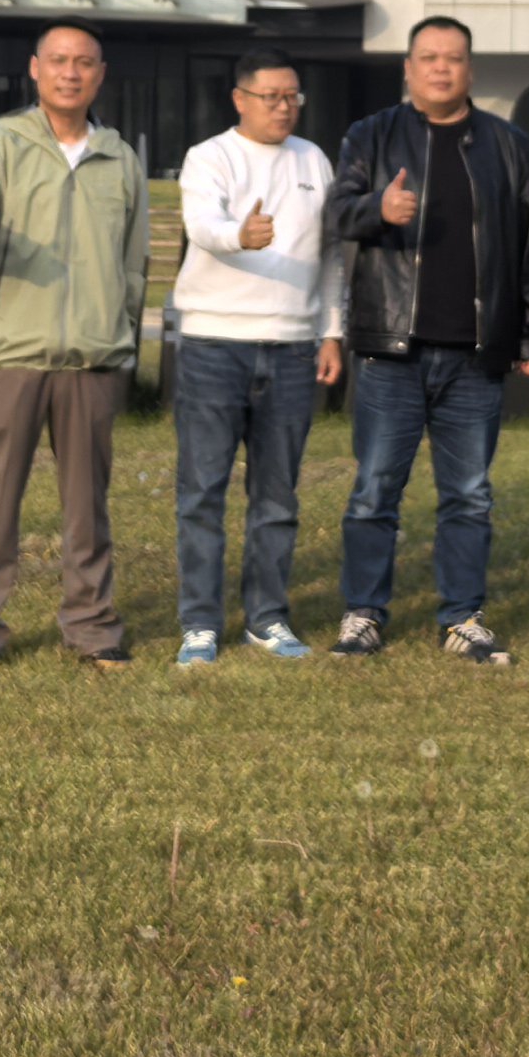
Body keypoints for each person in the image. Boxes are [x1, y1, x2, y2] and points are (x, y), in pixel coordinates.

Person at [320, 16, 529, 665]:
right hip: (391, 350)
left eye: (453, 58)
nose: (441, 69)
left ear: (470, 69)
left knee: (469, 495)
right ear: (408, 69)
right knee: (374, 491)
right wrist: (378, 210)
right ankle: (364, 613)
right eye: (429, 58)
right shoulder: (371, 134)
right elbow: (335, 213)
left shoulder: (507, 144)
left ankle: (462, 617)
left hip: (475, 356)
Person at [0, 21, 150, 674]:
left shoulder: (120, 160)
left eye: (84, 62)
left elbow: (134, 262)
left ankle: (92, 626)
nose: (70, 73)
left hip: (93, 360)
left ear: (100, 74)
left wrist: (121, 335)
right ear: (35, 69)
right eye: (58, 60)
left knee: (88, 508)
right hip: (13, 354)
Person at [166, 45, 338, 667]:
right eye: (272, 97)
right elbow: (202, 225)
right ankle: (200, 623)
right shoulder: (209, 156)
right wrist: (240, 235)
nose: (284, 107)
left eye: (293, 96)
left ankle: (267, 618)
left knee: (277, 496)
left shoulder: (314, 160)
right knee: (202, 493)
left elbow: (332, 255)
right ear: (240, 99)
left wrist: (332, 331)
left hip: (292, 348)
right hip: (214, 345)